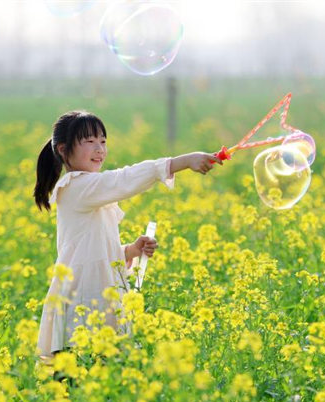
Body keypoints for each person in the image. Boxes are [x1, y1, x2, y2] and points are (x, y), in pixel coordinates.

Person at [34, 110, 220, 358]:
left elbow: (91, 252)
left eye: (103, 141)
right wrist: (182, 162)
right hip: (83, 302)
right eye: (89, 142)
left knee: (96, 381)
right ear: (63, 149)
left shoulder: (89, 189)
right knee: (80, 377)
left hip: (96, 297)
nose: (99, 149)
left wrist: (129, 251)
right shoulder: (77, 186)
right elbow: (123, 179)